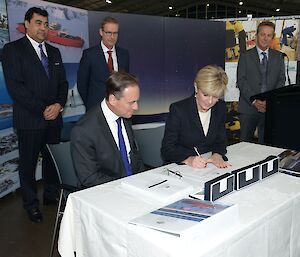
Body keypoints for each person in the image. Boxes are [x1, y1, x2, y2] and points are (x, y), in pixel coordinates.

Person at [2, 7, 68, 223]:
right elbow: (16, 88)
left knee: (52, 162)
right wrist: (43, 109)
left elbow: (63, 84)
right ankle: (31, 204)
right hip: (30, 120)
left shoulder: (55, 52)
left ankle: (50, 196)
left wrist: (58, 104)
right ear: (27, 24)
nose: (43, 28)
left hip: (53, 119)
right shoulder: (13, 50)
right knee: (28, 164)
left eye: (46, 24)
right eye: (38, 23)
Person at [71, 71, 144, 188]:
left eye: (137, 101)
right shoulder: (83, 130)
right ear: (113, 100)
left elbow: (134, 156)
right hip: (105, 193)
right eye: (132, 102)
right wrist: (126, 185)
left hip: (134, 187)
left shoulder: (125, 116)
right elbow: (89, 178)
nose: (136, 107)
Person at [161, 65, 230, 169]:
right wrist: (188, 159)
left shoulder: (220, 107)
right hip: (181, 168)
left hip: (208, 167)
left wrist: (217, 154)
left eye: (215, 96)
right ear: (196, 87)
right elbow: (167, 149)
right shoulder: (179, 110)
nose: (210, 101)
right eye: (205, 95)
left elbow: (221, 139)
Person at [237, 21, 285, 143]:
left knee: (266, 147)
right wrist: (254, 101)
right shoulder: (245, 56)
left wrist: (269, 101)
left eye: (269, 35)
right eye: (263, 34)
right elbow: (241, 81)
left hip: (269, 109)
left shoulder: (279, 57)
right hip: (248, 108)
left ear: (272, 38)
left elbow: (281, 80)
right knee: (244, 146)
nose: (265, 38)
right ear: (257, 35)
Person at [77, 16, 129, 111]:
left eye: (115, 33)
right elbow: (82, 84)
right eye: (109, 33)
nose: (112, 37)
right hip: (96, 109)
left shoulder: (124, 54)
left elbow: (125, 82)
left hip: (119, 108)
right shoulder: (89, 54)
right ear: (101, 32)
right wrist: (91, 104)